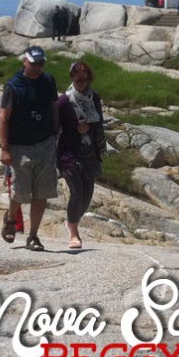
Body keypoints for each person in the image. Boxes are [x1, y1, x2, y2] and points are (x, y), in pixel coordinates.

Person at [0, 46, 58, 251]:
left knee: (42, 192)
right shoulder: (13, 87)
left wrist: (56, 133)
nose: (37, 68)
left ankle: (33, 236)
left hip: (45, 143)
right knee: (19, 193)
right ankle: (10, 218)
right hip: (19, 147)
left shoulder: (48, 81)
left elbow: (54, 107)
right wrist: (5, 149)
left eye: (40, 64)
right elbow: (4, 117)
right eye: (33, 63)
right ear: (25, 61)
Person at [57, 60, 106, 249]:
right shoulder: (64, 101)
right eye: (78, 79)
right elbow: (57, 128)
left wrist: (90, 127)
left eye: (85, 79)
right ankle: (73, 232)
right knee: (76, 191)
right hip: (68, 152)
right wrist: (75, 129)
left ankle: (73, 221)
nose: (82, 82)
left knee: (87, 195)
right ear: (72, 78)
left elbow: (98, 123)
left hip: (89, 151)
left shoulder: (94, 98)